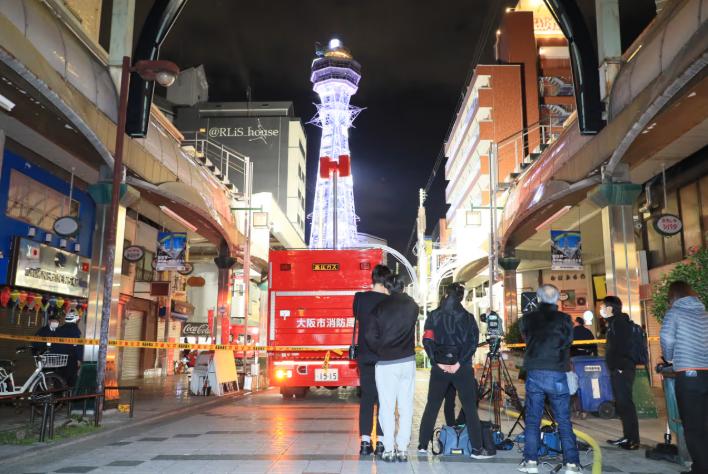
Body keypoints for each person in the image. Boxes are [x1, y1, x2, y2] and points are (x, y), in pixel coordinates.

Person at [418, 283, 492, 459]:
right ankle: (476, 449)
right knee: (469, 407)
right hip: (462, 368)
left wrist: (437, 362)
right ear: (461, 297)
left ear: (445, 294)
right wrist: (460, 362)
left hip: (439, 368)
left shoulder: (434, 315)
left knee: (432, 406)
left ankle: (422, 446)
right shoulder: (468, 317)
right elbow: (472, 343)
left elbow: (427, 340)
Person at [518, 284, 581, 474]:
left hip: (535, 372)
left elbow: (526, 339)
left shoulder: (527, 319)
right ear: (556, 299)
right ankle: (571, 464)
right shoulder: (565, 319)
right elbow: (568, 342)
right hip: (557, 373)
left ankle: (530, 462)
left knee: (532, 419)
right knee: (563, 419)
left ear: (538, 298)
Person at [365, 274, 418, 462]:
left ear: (387, 288)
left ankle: (388, 449)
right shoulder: (412, 305)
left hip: (386, 363)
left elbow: (369, 334)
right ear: (402, 287)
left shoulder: (380, 307)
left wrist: (380, 349)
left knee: (386, 407)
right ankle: (403, 449)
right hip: (407, 361)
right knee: (406, 407)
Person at [660, 281, 708, 474]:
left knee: (693, 427)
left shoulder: (675, 313)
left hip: (689, 375)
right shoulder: (704, 314)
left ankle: (701, 469)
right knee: (705, 424)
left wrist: (669, 357)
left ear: (673, 297)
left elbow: (667, 338)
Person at [353, 264, 390, 456]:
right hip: (384, 357)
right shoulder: (389, 301)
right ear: (386, 281)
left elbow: (358, 317)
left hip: (365, 356)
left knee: (367, 398)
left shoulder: (359, 298)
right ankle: (381, 442)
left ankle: (365, 443)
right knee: (384, 399)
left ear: (373, 279)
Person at [602, 295, 640, 450]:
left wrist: (620, 366)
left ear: (610, 308)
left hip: (622, 369)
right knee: (622, 404)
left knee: (626, 404)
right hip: (619, 369)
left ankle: (633, 440)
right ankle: (627, 437)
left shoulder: (619, 323)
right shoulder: (613, 323)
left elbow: (623, 346)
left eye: (603, 306)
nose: (602, 309)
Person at [56, 309, 84, 388]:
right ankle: (69, 398)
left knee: (60, 378)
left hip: (59, 358)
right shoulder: (75, 330)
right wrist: (79, 358)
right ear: (75, 320)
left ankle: (58, 396)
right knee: (71, 380)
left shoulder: (60, 329)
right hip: (71, 358)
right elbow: (78, 345)